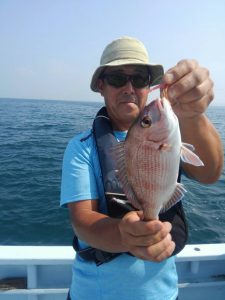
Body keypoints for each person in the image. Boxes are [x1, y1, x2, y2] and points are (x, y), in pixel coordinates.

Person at [60, 36, 223, 300]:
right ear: (101, 86)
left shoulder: (170, 134)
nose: (128, 87)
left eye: (139, 78)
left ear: (149, 86)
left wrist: (194, 115)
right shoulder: (81, 148)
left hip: (163, 293)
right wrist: (125, 235)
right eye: (116, 78)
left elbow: (210, 173)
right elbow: (82, 222)